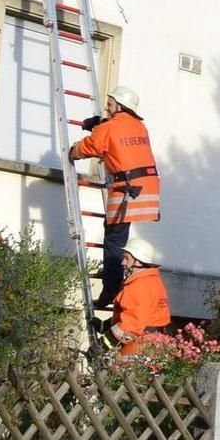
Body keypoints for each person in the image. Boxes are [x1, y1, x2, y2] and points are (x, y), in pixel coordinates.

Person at [68, 85, 161, 316]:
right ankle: (122, 284)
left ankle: (110, 290)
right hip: (146, 189)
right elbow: (120, 135)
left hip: (126, 191)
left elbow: (91, 146)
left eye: (110, 105)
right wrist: (99, 122)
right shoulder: (140, 126)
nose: (107, 108)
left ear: (120, 106)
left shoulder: (109, 127)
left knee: (114, 241)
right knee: (121, 235)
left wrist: (72, 150)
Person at [98, 238, 172, 354]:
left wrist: (100, 346)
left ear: (138, 261)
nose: (123, 262)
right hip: (152, 340)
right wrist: (105, 326)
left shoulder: (139, 286)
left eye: (127, 258)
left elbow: (131, 326)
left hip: (140, 344)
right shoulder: (151, 281)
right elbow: (131, 314)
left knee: (120, 371)